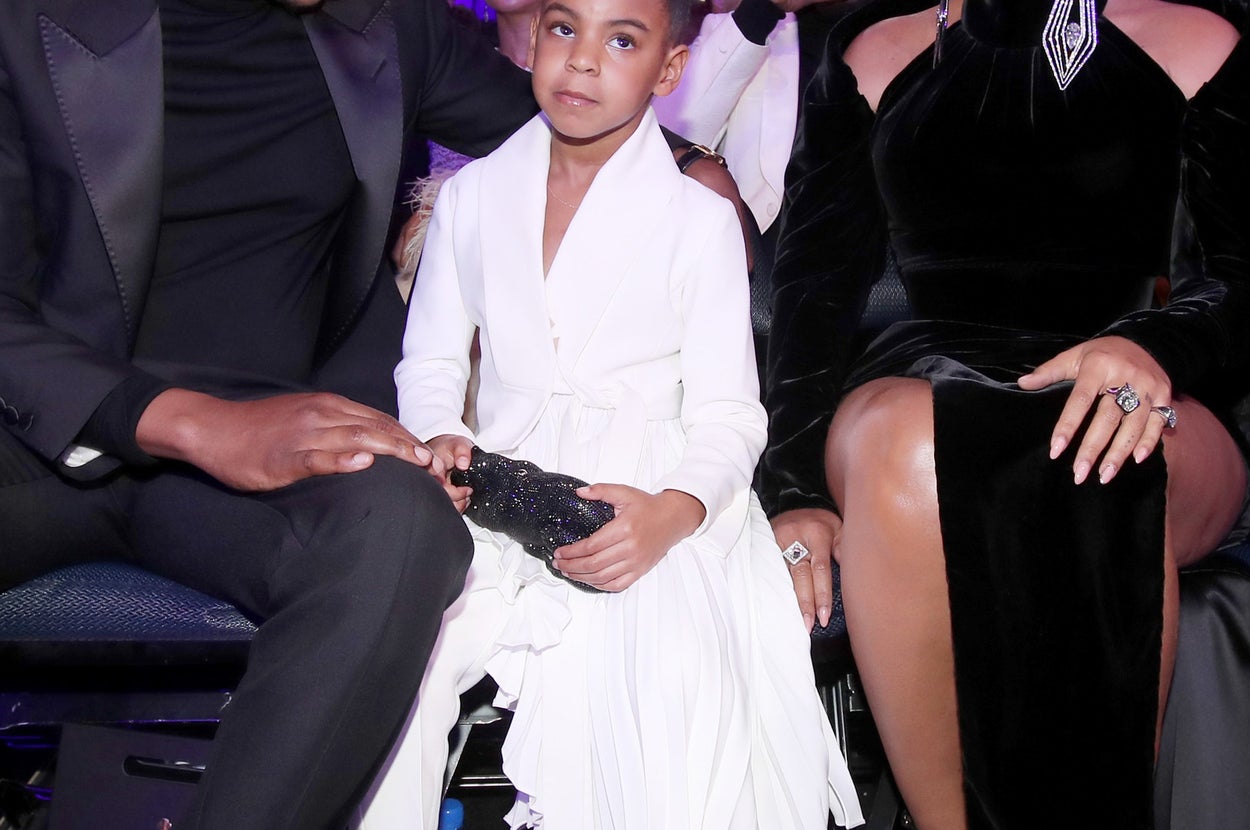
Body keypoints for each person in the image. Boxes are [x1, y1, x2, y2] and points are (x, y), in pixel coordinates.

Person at [0, 0, 540, 827]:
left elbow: (575, 115)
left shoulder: (389, 23)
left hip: (268, 454)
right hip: (38, 436)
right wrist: (191, 422)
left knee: (402, 526)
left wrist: (689, 166)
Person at [358, 0, 865, 825]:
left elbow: (731, 415)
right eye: (565, 28)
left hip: (651, 489)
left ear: (670, 69)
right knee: (394, 649)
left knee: (658, 674)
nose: (584, 58)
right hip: (493, 483)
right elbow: (433, 363)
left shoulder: (699, 219)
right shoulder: (472, 197)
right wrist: (440, 435)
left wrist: (674, 511)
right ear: (532, 39)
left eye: (621, 39)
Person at [759, 0, 1249, 828]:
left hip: (1146, 372)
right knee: (905, 445)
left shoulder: (1198, 36)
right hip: (925, 374)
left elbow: (1241, 269)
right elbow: (811, 294)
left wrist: (1155, 345)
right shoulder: (871, 47)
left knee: (1104, 445)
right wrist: (793, 487)